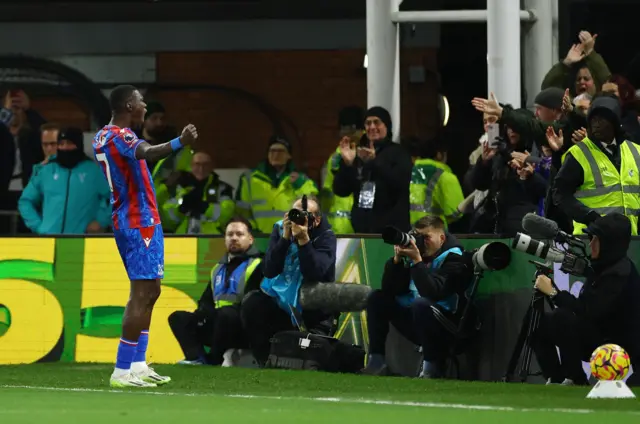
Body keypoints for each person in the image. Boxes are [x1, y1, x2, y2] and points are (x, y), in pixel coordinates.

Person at [92, 84, 198, 388]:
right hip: (139, 221)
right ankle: (122, 370)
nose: (145, 108)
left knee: (151, 290)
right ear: (128, 106)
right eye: (141, 103)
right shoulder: (121, 136)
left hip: (131, 219)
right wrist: (181, 141)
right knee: (141, 293)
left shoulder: (101, 136)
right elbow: (147, 152)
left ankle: (138, 365)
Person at [532, 213, 640, 386]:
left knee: (562, 318)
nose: (590, 245)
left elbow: (588, 311)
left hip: (614, 345)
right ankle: (554, 377)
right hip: (597, 335)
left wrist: (553, 293)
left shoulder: (619, 273)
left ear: (609, 243)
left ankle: (576, 379)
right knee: (537, 321)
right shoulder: (605, 265)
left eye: (595, 240)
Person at [363, 215, 474, 378]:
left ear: (442, 238)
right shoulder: (418, 256)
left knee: (421, 304)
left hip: (448, 327)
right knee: (377, 298)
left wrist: (417, 261)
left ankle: (432, 368)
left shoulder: (456, 259)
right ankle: (376, 362)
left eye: (427, 237)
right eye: (418, 237)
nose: (422, 242)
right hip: (418, 321)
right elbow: (390, 290)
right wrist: (397, 261)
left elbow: (433, 292)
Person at [240, 196, 337, 366]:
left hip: (309, 308)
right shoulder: (280, 228)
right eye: (295, 213)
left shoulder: (325, 237)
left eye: (305, 215)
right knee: (252, 303)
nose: (299, 219)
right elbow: (269, 270)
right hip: (279, 302)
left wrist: (304, 241)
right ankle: (264, 361)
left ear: (317, 219)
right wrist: (284, 239)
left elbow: (315, 274)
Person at [169, 217, 264, 366]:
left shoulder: (259, 264)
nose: (234, 238)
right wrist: (202, 315)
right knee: (178, 318)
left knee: (225, 315)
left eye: (239, 234)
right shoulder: (217, 268)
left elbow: (255, 304)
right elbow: (206, 300)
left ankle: (214, 360)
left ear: (251, 239)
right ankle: (196, 358)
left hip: (242, 327)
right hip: (218, 323)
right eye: (229, 234)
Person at [552, 92, 640, 235]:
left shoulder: (636, 152)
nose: (596, 125)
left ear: (614, 122)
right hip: (591, 238)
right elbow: (560, 194)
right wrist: (590, 217)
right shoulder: (578, 153)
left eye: (601, 120)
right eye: (593, 120)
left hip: (630, 240)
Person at [19, 127, 111, 234]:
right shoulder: (46, 171)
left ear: (78, 144)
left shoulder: (94, 171)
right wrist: (38, 226)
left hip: (80, 240)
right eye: (61, 144)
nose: (65, 147)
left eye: (69, 143)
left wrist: (101, 221)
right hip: (49, 239)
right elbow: (25, 201)